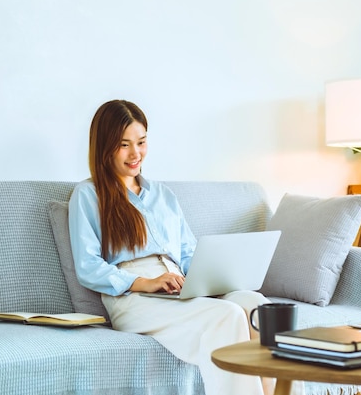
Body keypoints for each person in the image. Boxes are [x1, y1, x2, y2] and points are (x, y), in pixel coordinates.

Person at [68, 99, 274, 395]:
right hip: (133, 298)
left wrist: (210, 279)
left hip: (178, 283)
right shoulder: (88, 195)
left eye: (141, 142)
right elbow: (88, 267)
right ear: (104, 147)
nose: (135, 153)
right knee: (226, 316)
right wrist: (146, 282)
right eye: (123, 145)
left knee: (259, 306)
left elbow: (188, 253)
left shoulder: (163, 195)